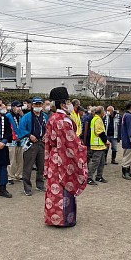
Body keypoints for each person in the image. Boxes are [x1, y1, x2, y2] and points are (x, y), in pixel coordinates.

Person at [44, 86, 88, 227]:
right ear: (63, 104)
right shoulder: (63, 120)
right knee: (64, 186)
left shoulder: (52, 118)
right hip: (64, 158)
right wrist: (82, 149)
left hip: (54, 156)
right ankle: (64, 219)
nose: (70, 104)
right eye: (68, 101)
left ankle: (52, 217)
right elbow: (71, 142)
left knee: (54, 187)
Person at [19, 97, 48, 196]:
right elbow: (21, 128)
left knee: (41, 165)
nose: (38, 106)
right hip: (31, 143)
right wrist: (29, 135)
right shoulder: (27, 116)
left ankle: (40, 184)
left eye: (40, 105)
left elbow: (48, 127)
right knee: (28, 166)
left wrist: (46, 135)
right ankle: (27, 187)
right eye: (36, 105)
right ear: (32, 105)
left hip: (42, 143)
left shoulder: (44, 116)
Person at [88, 106, 110, 185]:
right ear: (101, 112)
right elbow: (100, 132)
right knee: (95, 162)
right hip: (97, 145)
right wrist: (106, 141)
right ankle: (89, 177)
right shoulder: (98, 120)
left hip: (99, 145)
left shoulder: (95, 119)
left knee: (101, 162)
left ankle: (99, 176)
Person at [6, 100, 24, 185]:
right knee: (12, 159)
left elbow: (24, 126)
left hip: (21, 140)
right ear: (13, 107)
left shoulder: (21, 116)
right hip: (12, 140)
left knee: (20, 159)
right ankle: (10, 176)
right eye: (17, 106)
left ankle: (19, 174)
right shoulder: (8, 116)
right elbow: (8, 128)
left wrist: (22, 116)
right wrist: (15, 136)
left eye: (20, 106)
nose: (19, 108)